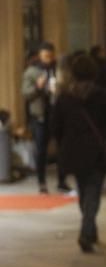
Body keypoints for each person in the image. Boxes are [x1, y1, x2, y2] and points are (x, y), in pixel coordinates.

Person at [50, 55, 106, 252]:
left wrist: (63, 143)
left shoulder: (65, 98)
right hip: (97, 151)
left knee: (84, 191)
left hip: (73, 151)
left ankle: (90, 229)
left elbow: (56, 127)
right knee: (92, 192)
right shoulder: (104, 96)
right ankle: (86, 230)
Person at [21, 42, 59, 194]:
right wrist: (38, 86)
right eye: (45, 56)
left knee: (62, 147)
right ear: (39, 56)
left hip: (57, 112)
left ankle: (62, 181)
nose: (48, 59)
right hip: (40, 115)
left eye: (51, 55)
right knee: (41, 149)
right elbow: (25, 93)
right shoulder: (31, 71)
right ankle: (41, 181)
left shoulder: (57, 69)